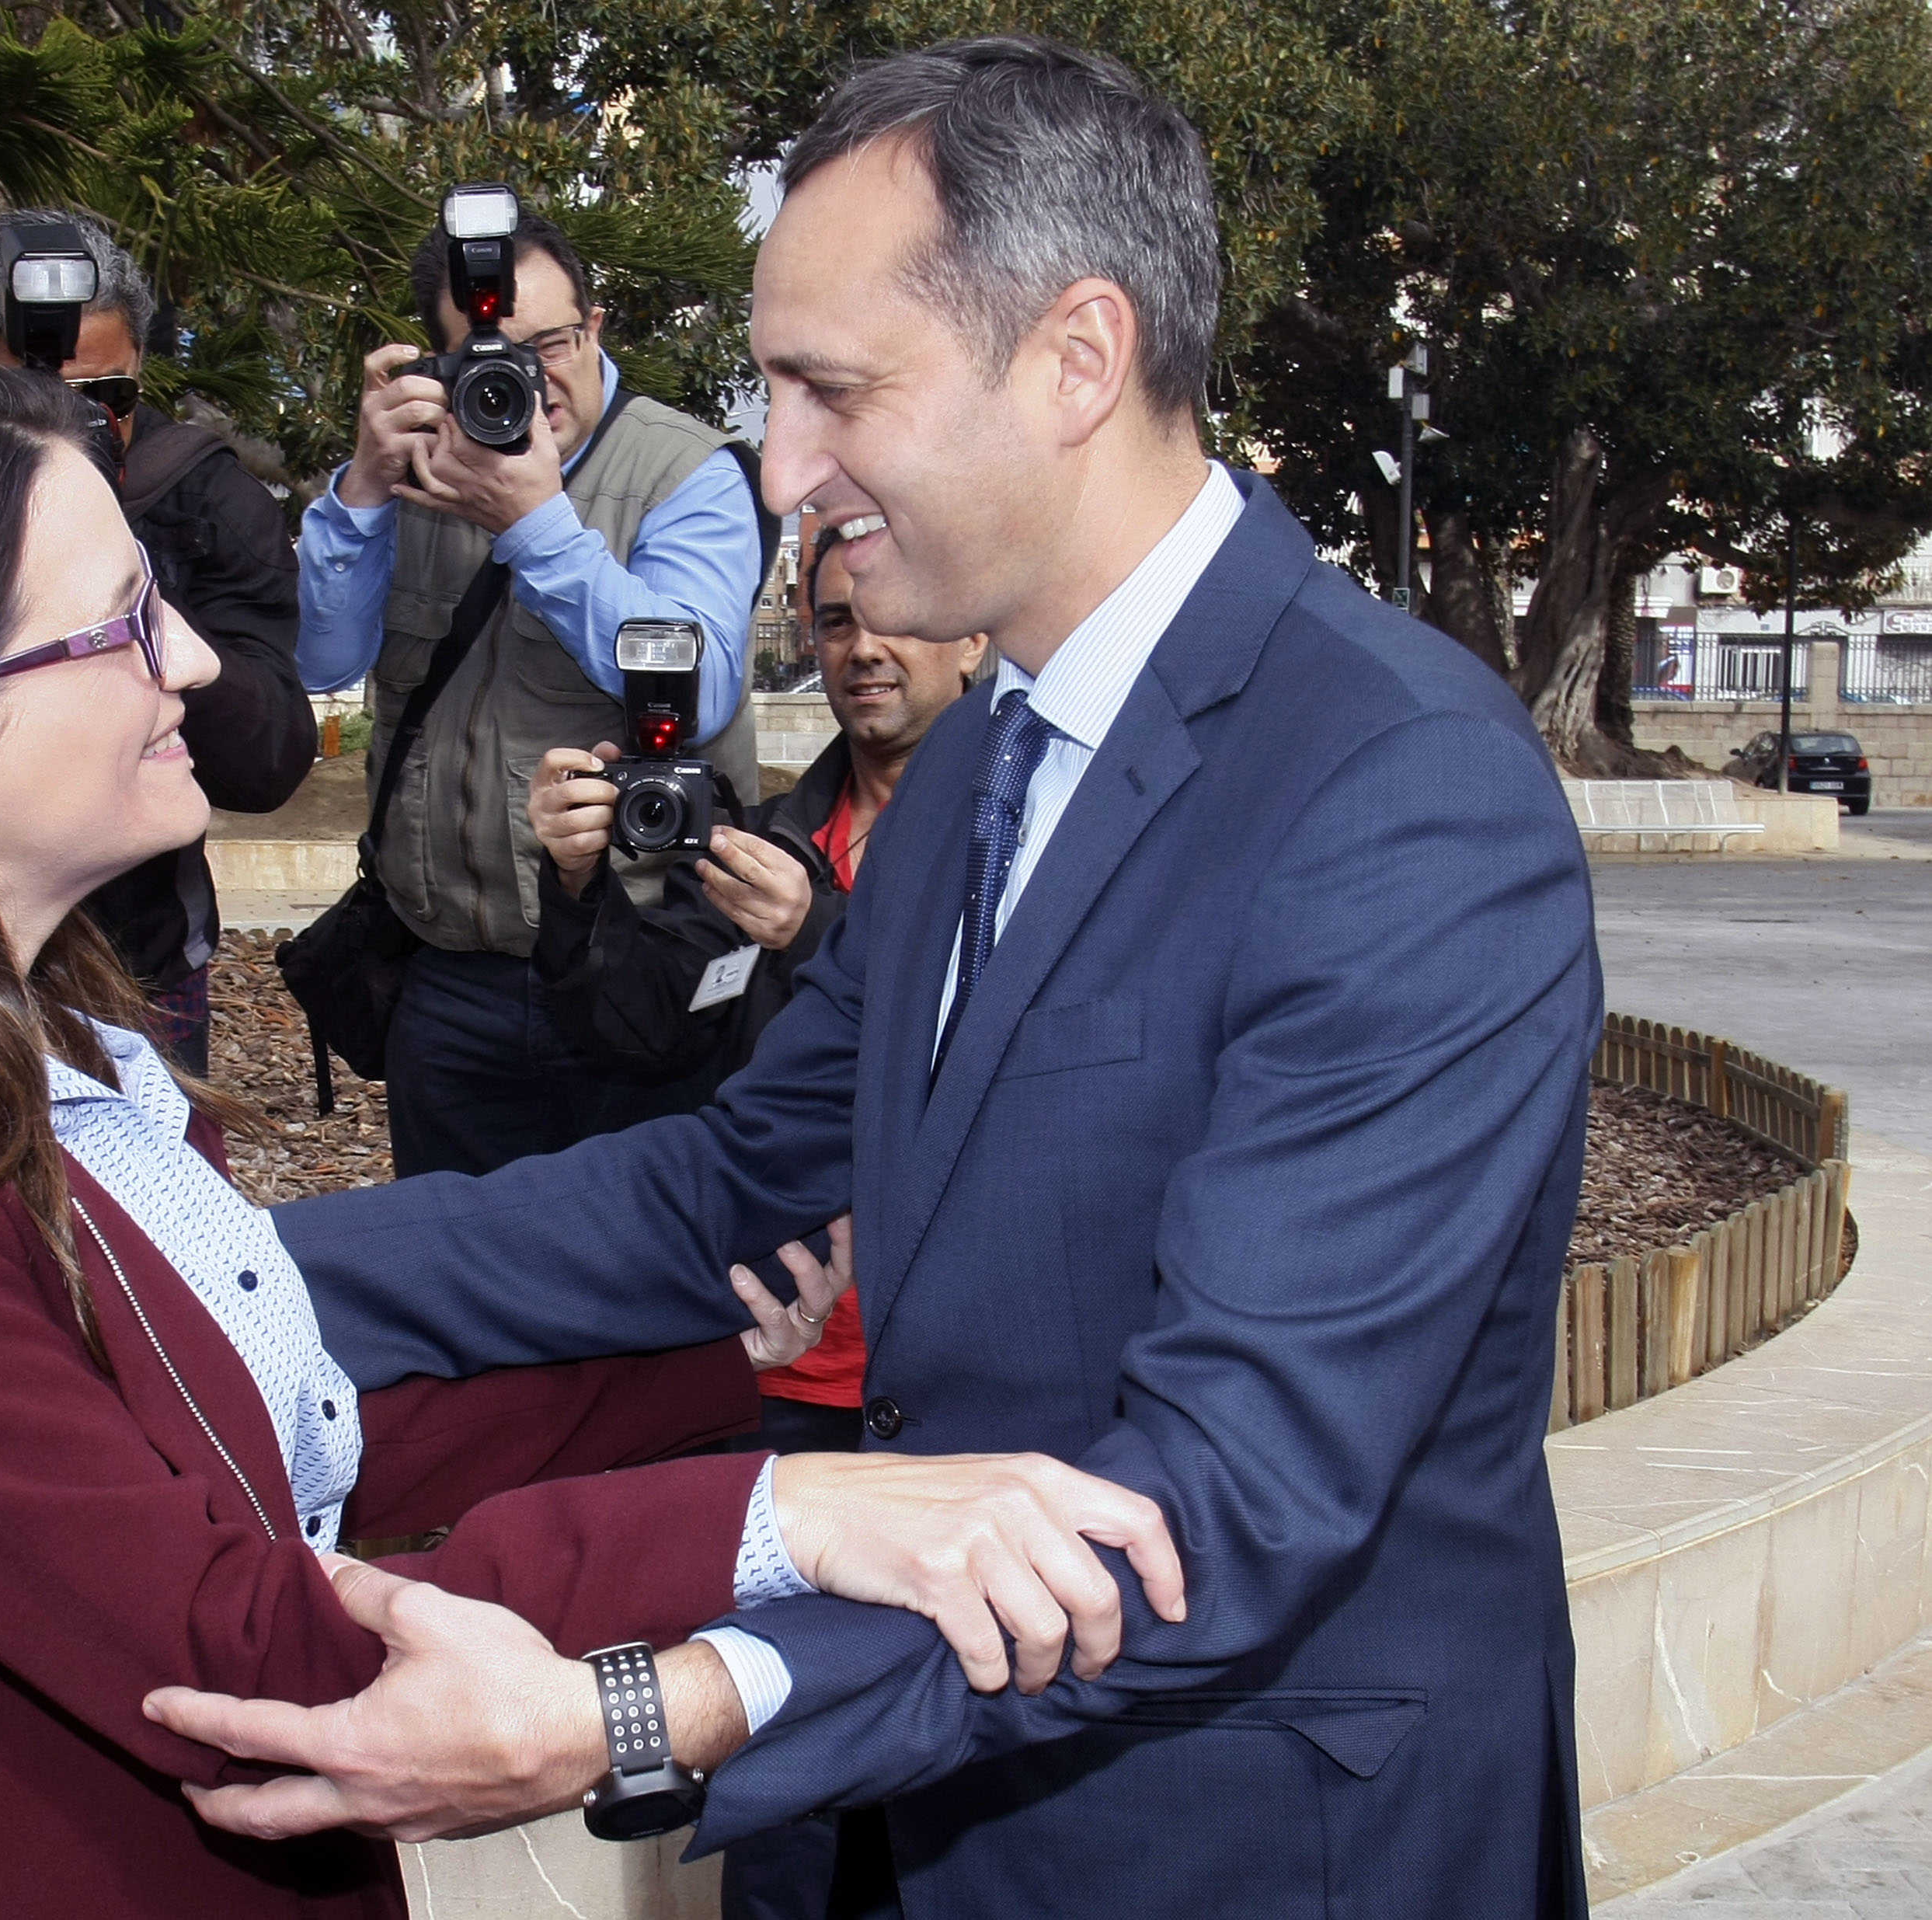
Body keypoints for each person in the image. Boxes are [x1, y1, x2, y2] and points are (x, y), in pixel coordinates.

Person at [151, 37, 1605, 1920]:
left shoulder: (1400, 789)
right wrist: (184, 1265)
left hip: (1256, 1844)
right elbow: (724, 1186)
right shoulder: (986, 750)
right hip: (937, 1810)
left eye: (832, 390)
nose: (781, 468)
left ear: (1076, 358)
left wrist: (639, 1707)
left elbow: (1235, 1495)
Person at [0, 358, 1189, 1919]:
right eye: (120, 623)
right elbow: (233, 1642)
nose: (192, 660)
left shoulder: (26, 1054)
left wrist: (709, 1377)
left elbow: (270, 1441)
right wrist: (785, 1513)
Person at [531, 531, 985, 1920]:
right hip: (785, 1383)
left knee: (952, 1787)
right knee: (779, 1781)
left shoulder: (1026, 835)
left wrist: (828, 936)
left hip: (960, 1391)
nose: (863, 648)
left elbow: (1012, 1064)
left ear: (975, 635)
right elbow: (633, 1034)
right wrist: (576, 887)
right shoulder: (764, 834)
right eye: (835, 620)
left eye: (897, 616)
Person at [294, 206, 770, 1175]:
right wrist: (363, 491)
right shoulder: (418, 472)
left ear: (593, 327)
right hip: (446, 971)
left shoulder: (688, 471)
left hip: (634, 958)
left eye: (550, 343)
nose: (527, 377)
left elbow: (700, 684)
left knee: (643, 1247)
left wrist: (536, 525)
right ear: (437, 362)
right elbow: (322, 659)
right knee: (455, 1254)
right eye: (490, 355)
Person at [0, 207, 315, 1072]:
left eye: (107, 398)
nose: (76, 427)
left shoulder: (200, 498)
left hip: (136, 964)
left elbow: (271, 761)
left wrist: (132, 599)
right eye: (31, 398)